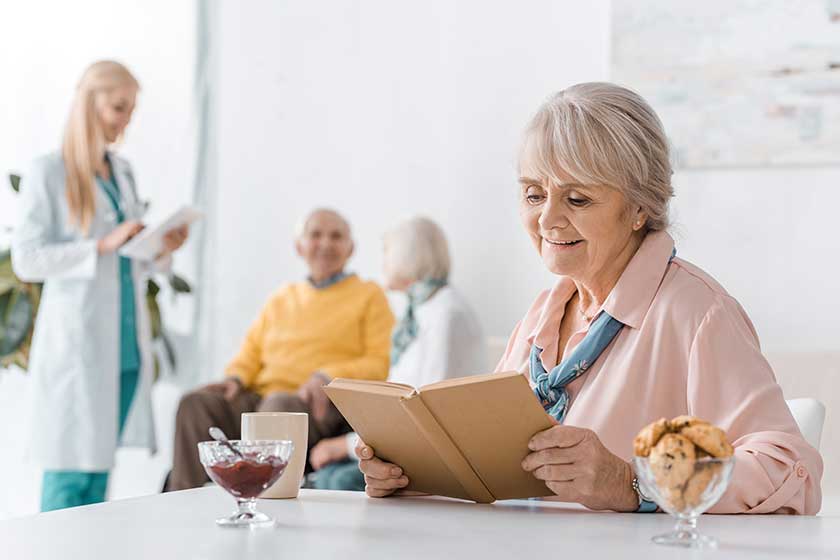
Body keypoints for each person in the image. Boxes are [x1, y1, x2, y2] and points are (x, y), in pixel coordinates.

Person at [356, 82, 823, 514]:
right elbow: (492, 469)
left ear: (641, 207)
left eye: (577, 200)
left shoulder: (697, 313)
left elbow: (789, 473)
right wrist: (413, 474)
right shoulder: (543, 314)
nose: (547, 220)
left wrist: (633, 482)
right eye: (534, 194)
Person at [12, 61, 189, 511]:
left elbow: (129, 262)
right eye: (118, 108)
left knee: (98, 473)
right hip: (78, 344)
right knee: (71, 470)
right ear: (89, 104)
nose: (125, 120)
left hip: (125, 347)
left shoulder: (122, 172)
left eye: (130, 110)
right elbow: (27, 258)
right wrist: (99, 246)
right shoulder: (48, 172)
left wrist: (161, 247)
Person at [165, 208, 395, 491]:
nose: (325, 244)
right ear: (299, 247)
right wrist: (235, 378)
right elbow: (251, 352)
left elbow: (380, 362)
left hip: (318, 405)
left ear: (351, 248)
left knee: (278, 407)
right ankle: (182, 501)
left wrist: (325, 376)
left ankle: (256, 503)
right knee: (195, 404)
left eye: (336, 236)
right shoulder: (281, 298)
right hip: (261, 398)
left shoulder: (369, 295)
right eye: (315, 235)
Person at [309, 217, 486, 490]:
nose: (383, 262)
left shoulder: (445, 314)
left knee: (335, 479)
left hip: (437, 455)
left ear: (408, 256)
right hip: (410, 444)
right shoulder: (421, 313)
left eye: (387, 253)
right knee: (327, 476)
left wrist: (343, 446)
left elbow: (425, 409)